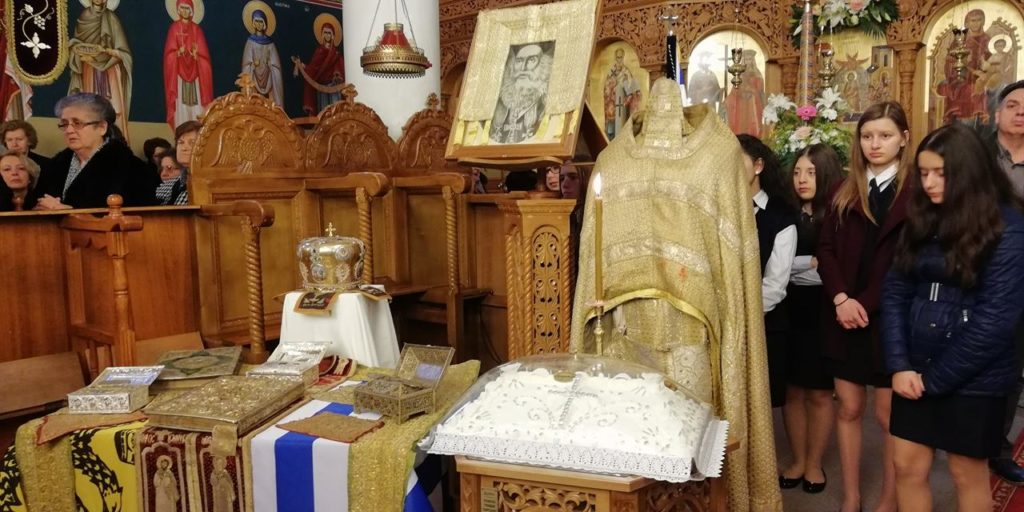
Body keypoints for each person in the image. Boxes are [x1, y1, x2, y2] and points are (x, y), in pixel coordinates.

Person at [570, 78, 782, 511]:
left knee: (693, 434)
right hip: (626, 321)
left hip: (692, 322)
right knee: (630, 429)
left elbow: (732, 250)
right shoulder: (614, 159)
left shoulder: (717, 155)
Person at [883, 123, 1024, 512]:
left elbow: (994, 322)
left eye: (940, 173)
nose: (929, 183)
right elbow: (895, 292)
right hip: (913, 368)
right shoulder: (921, 219)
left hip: (975, 377)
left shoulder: (1009, 229)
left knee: (966, 474)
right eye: (924, 173)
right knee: (906, 466)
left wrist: (933, 380)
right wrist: (899, 364)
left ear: (969, 173)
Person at [818, 100, 912, 512]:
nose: (875, 144)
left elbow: (906, 262)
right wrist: (841, 298)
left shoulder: (915, 193)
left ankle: (888, 501)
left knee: (889, 417)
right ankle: (851, 496)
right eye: (868, 136)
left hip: (890, 318)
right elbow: (825, 248)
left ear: (903, 139)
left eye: (885, 135)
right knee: (849, 409)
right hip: (844, 314)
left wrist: (863, 302)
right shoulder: (844, 189)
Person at [779, 144, 844, 495]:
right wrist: (807, 265)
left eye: (811, 172)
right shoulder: (786, 212)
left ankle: (815, 463)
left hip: (823, 309)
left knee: (819, 392)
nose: (802, 179)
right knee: (792, 389)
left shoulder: (838, 213)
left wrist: (811, 267)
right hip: (789, 306)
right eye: (797, 172)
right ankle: (798, 459)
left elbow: (836, 265)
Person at [737, 134, 797, 411]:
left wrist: (742, 315)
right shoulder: (721, 211)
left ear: (758, 166)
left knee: (761, 405)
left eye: (738, 163)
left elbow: (775, 283)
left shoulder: (780, 215)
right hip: (726, 328)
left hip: (765, 326)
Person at [983, 79, 1024, 484]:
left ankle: (998, 448)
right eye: (1013, 105)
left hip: (1021, 279)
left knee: (1012, 366)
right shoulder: (976, 156)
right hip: (976, 272)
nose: (1021, 112)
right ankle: (957, 436)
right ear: (997, 113)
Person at [31, 93, 156, 209]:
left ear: (102, 127)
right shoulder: (55, 166)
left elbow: (136, 216)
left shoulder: (130, 168)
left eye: (77, 123)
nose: (69, 130)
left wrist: (67, 212)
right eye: (64, 124)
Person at [67, 0, 133, 137]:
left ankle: (115, 140)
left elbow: (123, 52)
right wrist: (79, 52)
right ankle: (90, 140)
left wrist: (106, 51)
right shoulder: (84, 16)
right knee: (89, 110)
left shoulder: (112, 19)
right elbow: (76, 44)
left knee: (113, 108)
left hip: (110, 70)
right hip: (89, 69)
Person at [163, 0, 214, 128]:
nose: (185, 11)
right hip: (179, 76)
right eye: (182, 8)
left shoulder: (197, 30)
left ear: (191, 11)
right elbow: (168, 56)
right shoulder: (174, 28)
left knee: (197, 108)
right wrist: (177, 53)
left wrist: (197, 55)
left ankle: (199, 132)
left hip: (196, 76)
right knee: (181, 106)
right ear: (178, 10)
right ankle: (182, 130)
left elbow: (205, 58)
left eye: (187, 8)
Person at [490, 43, 552, 144]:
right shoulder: (501, 103)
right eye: (519, 61)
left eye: (531, 60)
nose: (523, 68)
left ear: (544, 66)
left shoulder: (547, 104)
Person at [292, 14, 344, 116]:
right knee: (324, 113)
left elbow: (340, 68)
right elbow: (313, 69)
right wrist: (302, 66)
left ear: (333, 35)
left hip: (334, 87)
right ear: (322, 34)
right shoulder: (319, 51)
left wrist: (337, 75)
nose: (327, 35)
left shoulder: (336, 54)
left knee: (336, 113)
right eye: (325, 33)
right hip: (321, 87)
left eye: (329, 33)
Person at [241, 4, 285, 108]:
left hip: (268, 76)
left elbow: (276, 67)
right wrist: (253, 65)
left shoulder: (270, 43)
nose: (259, 24)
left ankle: (275, 109)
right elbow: (246, 65)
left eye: (261, 21)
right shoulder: (250, 42)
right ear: (253, 23)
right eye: (256, 21)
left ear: (264, 23)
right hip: (254, 75)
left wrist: (269, 65)